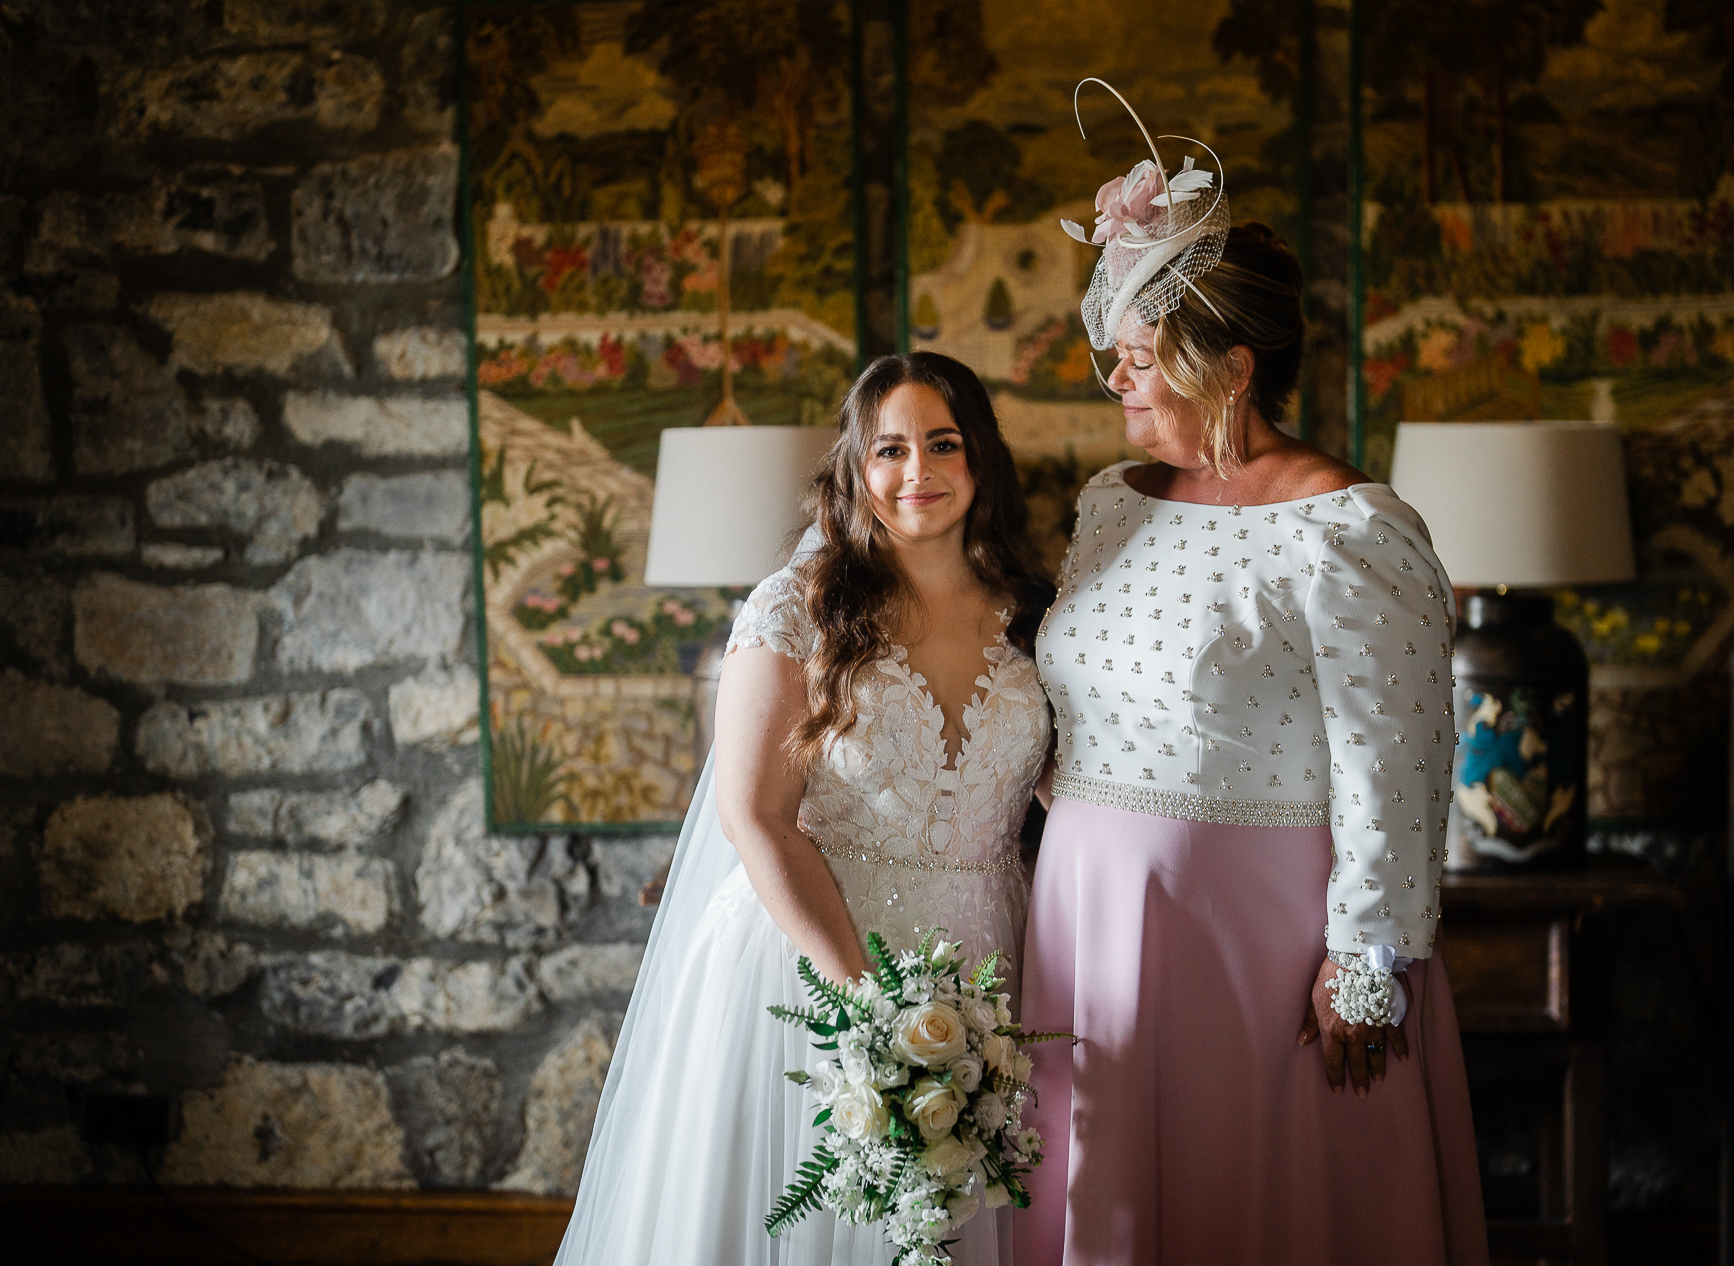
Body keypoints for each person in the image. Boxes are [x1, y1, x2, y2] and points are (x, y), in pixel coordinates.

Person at [1015, 83, 1490, 1265]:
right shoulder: (1109, 506)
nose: (1114, 381)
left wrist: (1366, 959)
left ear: (1226, 365)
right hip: (1090, 917)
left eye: (1137, 359)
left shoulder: (1347, 527)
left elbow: (1400, 759)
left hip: (1259, 938)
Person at [554, 352, 1055, 1266]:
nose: (917, 474)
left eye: (942, 444)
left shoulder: (1037, 618)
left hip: (987, 957)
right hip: (810, 967)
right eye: (890, 449)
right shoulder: (800, 606)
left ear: (980, 457)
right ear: (856, 468)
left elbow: (1073, 796)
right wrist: (869, 1010)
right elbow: (755, 815)